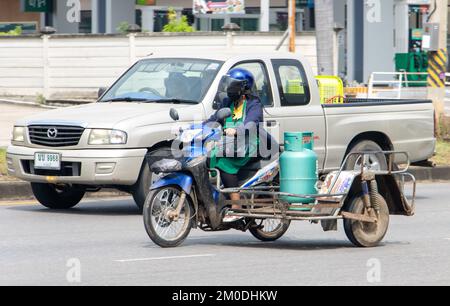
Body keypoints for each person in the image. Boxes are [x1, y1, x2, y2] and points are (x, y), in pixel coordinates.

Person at [207, 68, 264, 223]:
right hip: (232, 144)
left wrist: (237, 130)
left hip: (251, 143)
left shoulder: (254, 104)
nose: (228, 89)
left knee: (223, 161)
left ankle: (236, 206)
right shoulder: (227, 102)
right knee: (207, 157)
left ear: (243, 88)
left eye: (232, 86)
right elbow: (214, 118)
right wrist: (197, 129)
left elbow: (251, 123)